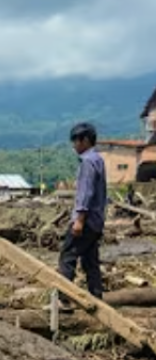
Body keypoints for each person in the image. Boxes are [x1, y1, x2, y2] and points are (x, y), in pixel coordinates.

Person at [58, 122, 106, 299]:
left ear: (85, 140)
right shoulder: (98, 159)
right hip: (96, 222)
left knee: (67, 256)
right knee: (90, 261)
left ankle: (64, 300)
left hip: (85, 221)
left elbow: (86, 192)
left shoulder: (87, 162)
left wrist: (79, 220)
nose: (74, 145)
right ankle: (97, 297)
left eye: (76, 141)